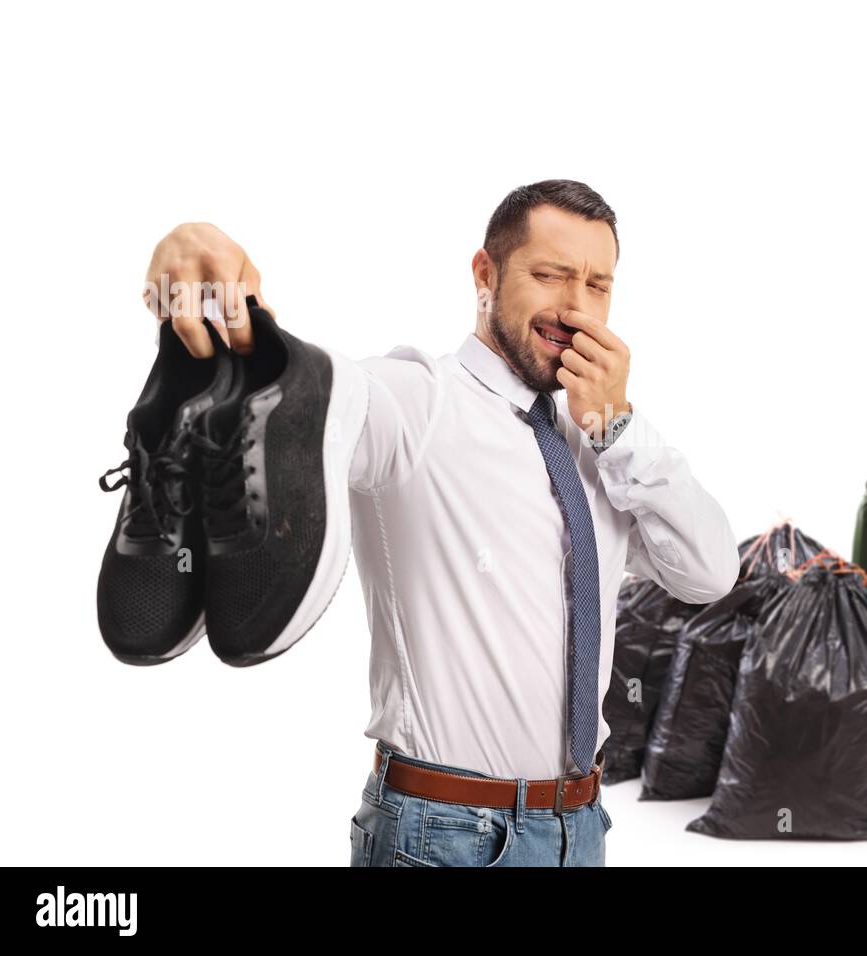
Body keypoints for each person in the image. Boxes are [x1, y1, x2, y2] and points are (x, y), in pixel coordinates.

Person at [141, 179, 740, 866]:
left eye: (597, 285)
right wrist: (193, 252)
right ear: (485, 275)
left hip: (581, 830)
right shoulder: (419, 400)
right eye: (549, 275)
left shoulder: (603, 443)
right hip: (443, 837)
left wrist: (618, 426)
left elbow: (709, 573)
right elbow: (311, 397)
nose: (576, 307)